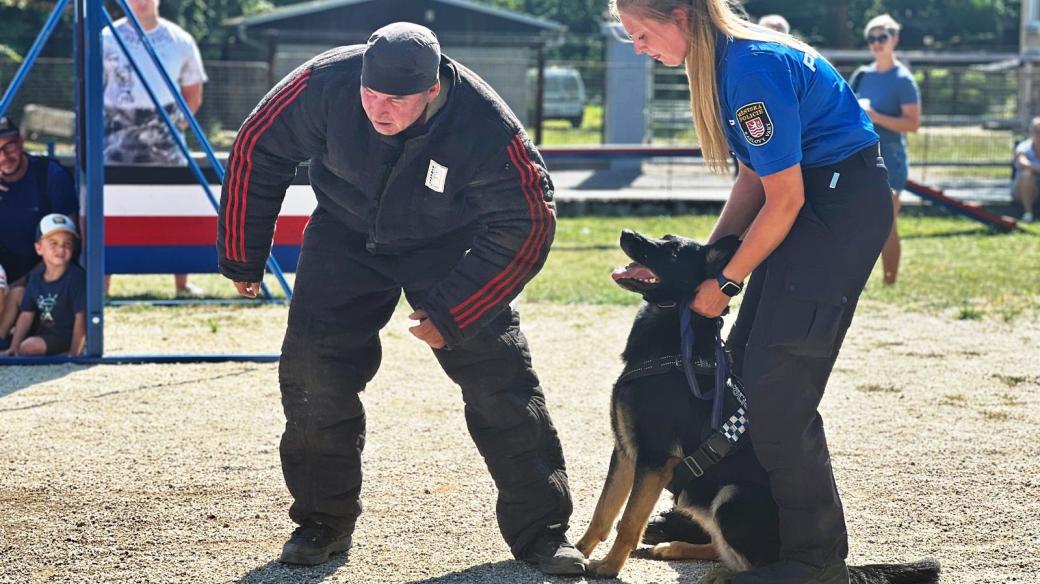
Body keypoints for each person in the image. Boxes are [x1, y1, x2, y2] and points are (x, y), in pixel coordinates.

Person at [216, 22, 583, 575]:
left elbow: (528, 221)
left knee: (500, 381)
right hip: (343, 232)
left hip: (447, 245)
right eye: (369, 92)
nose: (377, 109)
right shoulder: (324, 84)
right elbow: (255, 147)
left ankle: (543, 533)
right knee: (314, 375)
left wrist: (455, 311)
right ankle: (322, 523)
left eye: (396, 99)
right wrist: (243, 254)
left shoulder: (485, 124)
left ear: (433, 89)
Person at [614, 1, 892, 583]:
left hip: (833, 208)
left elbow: (785, 198)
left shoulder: (750, 69)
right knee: (738, 369)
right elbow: (753, 179)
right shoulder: (723, 67)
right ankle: (728, 525)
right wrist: (701, 266)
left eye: (640, 32)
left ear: (681, 16)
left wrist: (726, 279)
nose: (636, 45)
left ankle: (816, 561)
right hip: (806, 202)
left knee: (776, 389)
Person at [102, 0, 207, 297]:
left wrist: (168, 128)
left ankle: (182, 284)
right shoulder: (105, 38)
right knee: (109, 206)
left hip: (165, 140)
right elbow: (93, 88)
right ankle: (103, 283)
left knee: (177, 204)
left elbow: (193, 94)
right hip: (115, 139)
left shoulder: (180, 40)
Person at [849, 14, 921, 284]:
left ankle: (890, 282)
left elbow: (913, 124)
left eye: (882, 37)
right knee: (858, 224)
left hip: (891, 160)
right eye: (872, 38)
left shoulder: (903, 79)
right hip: (860, 159)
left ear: (895, 40)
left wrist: (877, 117)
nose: (877, 43)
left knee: (886, 224)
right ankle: (855, 281)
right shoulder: (861, 75)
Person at [0, 116, 79, 349]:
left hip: (42, 272)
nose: (4, 157)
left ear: (21, 142)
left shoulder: (49, 175)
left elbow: (71, 242)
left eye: (8, 147)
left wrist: (25, 281)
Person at [2, 214, 86, 357]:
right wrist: (14, 347)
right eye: (53, 243)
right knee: (17, 293)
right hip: (43, 331)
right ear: (39, 248)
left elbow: (81, 316)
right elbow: (26, 315)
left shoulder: (76, 277)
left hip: (64, 336)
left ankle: (63, 352)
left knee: (29, 346)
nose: (60, 250)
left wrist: (74, 353)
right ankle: (6, 343)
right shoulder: (36, 277)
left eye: (67, 244)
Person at [1011, 116, 1040, 222]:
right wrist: (1036, 168)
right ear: (1031, 132)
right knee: (1027, 174)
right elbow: (1021, 162)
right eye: (1037, 131)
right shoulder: (1024, 146)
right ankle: (1028, 213)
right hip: (1021, 192)